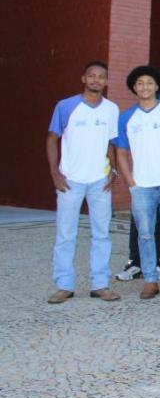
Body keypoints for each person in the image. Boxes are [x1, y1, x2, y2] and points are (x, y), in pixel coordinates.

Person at [46, 61, 121, 304]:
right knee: (66, 234)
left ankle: (100, 284)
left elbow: (112, 143)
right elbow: (52, 138)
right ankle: (64, 285)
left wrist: (114, 170)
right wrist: (55, 174)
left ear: (106, 82)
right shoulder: (66, 106)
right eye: (92, 76)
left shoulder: (111, 109)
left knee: (101, 234)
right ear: (83, 78)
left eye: (101, 77)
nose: (96, 80)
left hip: (100, 180)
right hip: (70, 179)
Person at [117, 65, 160, 301]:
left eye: (149, 83)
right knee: (145, 234)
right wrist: (130, 181)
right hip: (142, 186)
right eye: (139, 84)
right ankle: (149, 280)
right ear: (134, 88)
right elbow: (121, 152)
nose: (144, 87)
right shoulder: (127, 117)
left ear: (157, 86)